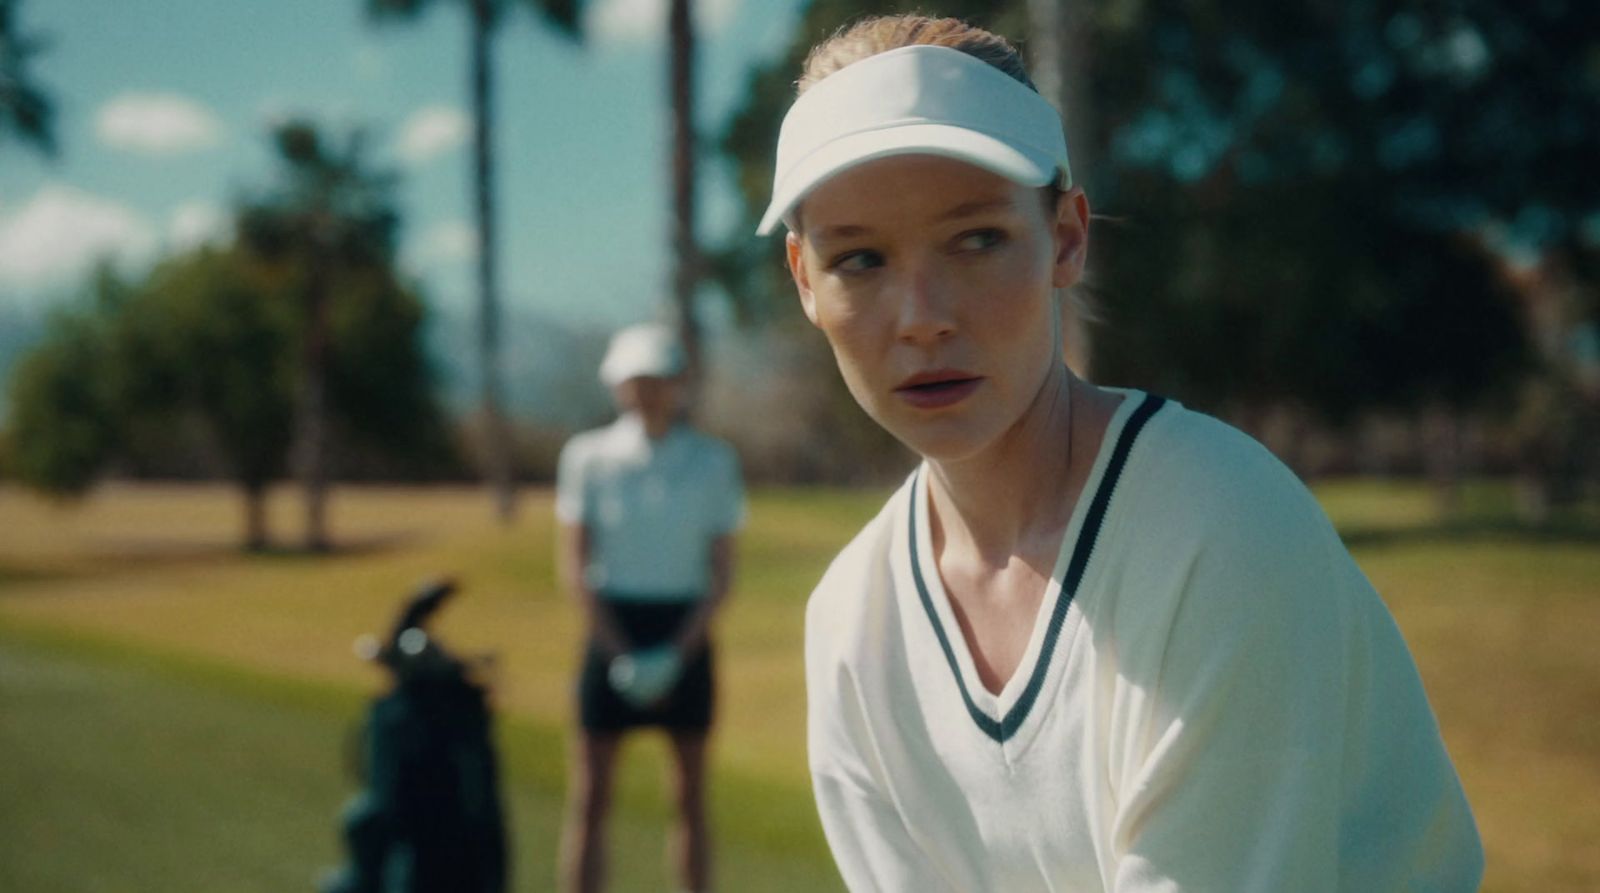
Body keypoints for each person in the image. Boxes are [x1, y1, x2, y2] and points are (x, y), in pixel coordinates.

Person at [759, 14, 1483, 891]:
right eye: (861, 259)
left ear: (1066, 237)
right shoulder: (849, 622)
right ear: (804, 278)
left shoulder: (1220, 532)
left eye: (977, 238)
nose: (922, 316)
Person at [554, 322, 744, 893]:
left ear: (678, 384)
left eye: (658, 380)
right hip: (611, 627)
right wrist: (619, 650)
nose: (647, 392)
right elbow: (574, 564)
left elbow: (722, 573)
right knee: (589, 797)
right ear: (617, 386)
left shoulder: (712, 461)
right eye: (636, 380)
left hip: (683, 630)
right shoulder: (587, 457)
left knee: (689, 797)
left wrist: (675, 653)